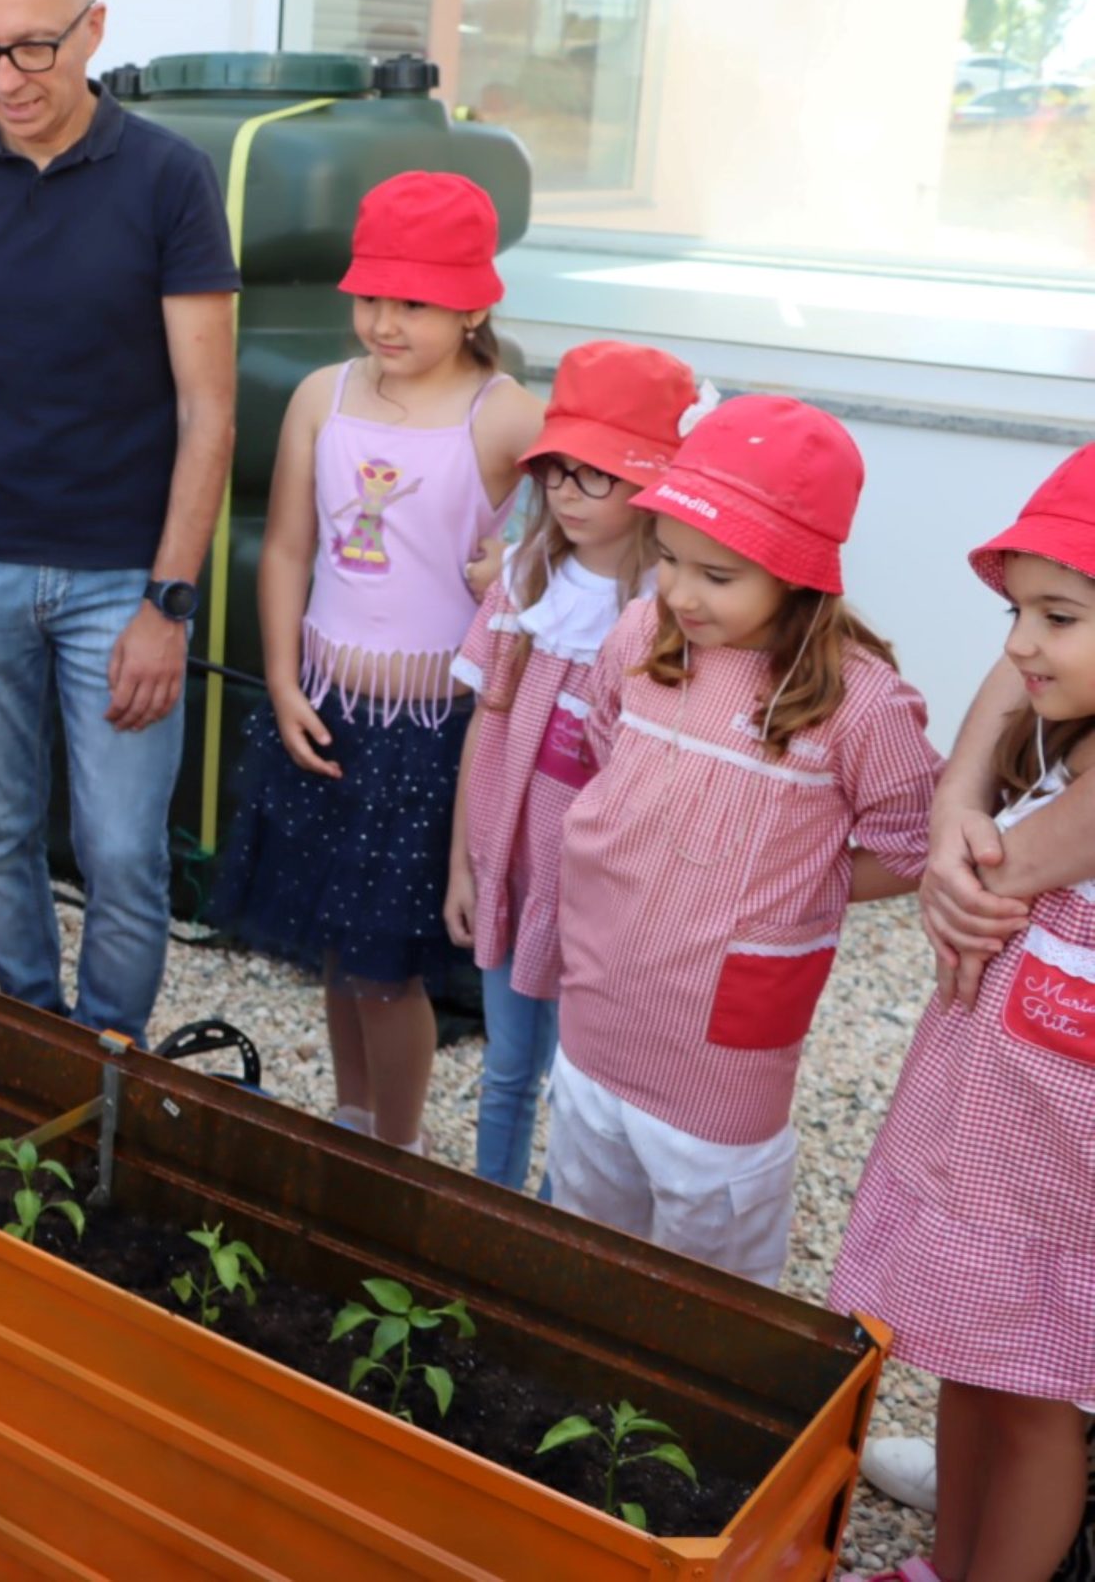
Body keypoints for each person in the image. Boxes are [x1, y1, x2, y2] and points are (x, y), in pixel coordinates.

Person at [0, 0, 239, 1046]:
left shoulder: (170, 180)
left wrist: (166, 604)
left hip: (121, 579)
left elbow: (210, 408)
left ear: (94, 30)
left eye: (33, 47)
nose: (5, 78)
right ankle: (39, 1044)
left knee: (126, 851)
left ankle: (115, 1060)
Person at [548, 396, 940, 1286]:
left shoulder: (861, 704)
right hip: (599, 1016)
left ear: (799, 575)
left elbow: (912, 842)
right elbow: (610, 755)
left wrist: (802, 886)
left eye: (717, 576)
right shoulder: (641, 636)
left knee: (712, 1284)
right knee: (585, 1251)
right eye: (670, 560)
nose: (681, 593)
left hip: (719, 1064)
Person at [214, 171, 542, 1148]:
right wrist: (278, 680)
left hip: (430, 738)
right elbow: (284, 547)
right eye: (370, 296)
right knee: (333, 939)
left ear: (476, 302)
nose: (383, 321)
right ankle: (347, 1116)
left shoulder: (502, 414)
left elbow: (593, 530)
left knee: (387, 960)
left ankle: (391, 1149)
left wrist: (514, 567)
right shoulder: (323, 394)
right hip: (322, 711)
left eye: (414, 301)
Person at [829, 443, 1095, 1582]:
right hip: (983, 1127)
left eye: (1058, 616)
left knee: (1039, 1393)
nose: (1020, 643)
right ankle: (944, 1560)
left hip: (1054, 1164)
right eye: (1016, 612)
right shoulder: (1052, 736)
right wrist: (955, 811)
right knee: (967, 1351)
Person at [445, 342, 703, 1190]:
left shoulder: (671, 618)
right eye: (557, 468)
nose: (566, 490)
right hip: (514, 869)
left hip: (602, 899)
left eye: (596, 472)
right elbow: (486, 726)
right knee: (509, 1069)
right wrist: (466, 863)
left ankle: (560, 1236)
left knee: (584, 1093)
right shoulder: (525, 578)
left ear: (654, 486)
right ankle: (490, 1219)